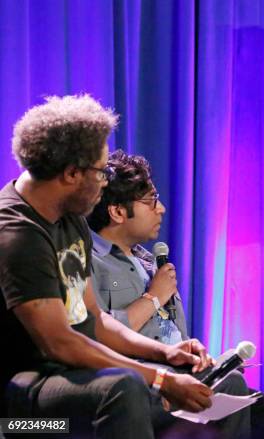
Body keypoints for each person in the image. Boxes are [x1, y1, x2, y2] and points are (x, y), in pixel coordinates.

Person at [0, 95, 220, 438]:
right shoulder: (17, 235)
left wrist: (165, 353)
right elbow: (60, 343)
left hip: (73, 376)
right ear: (72, 173)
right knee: (124, 387)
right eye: (101, 171)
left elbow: (94, 320)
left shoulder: (69, 219)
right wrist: (160, 379)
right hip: (23, 407)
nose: (105, 182)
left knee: (219, 390)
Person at [86, 149, 264, 439]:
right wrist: (153, 298)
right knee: (232, 385)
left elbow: (169, 332)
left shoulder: (151, 262)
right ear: (116, 212)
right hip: (139, 381)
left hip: (181, 372)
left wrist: (190, 351)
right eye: (151, 201)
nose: (161, 209)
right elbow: (95, 334)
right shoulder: (89, 261)